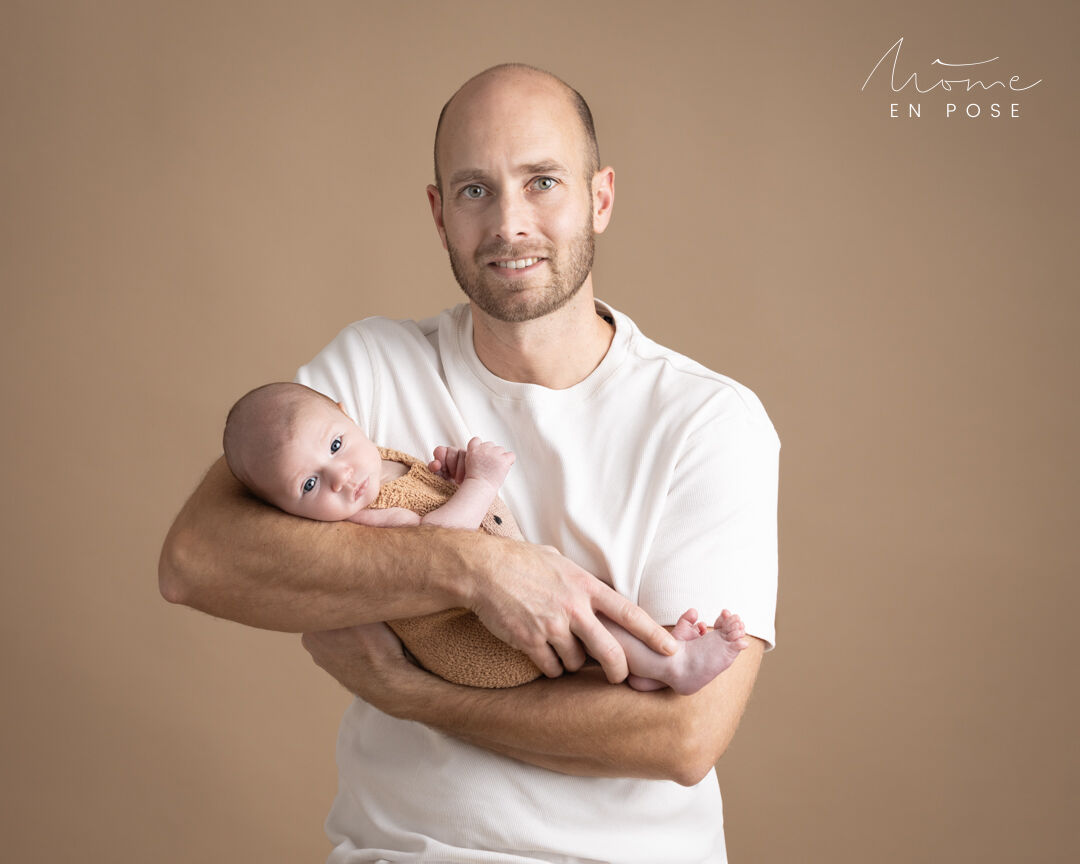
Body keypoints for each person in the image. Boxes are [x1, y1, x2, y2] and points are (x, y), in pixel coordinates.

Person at [160, 63, 779, 863]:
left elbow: (683, 738)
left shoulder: (708, 420)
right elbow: (196, 561)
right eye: (475, 190)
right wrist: (478, 570)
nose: (509, 223)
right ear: (439, 214)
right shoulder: (372, 366)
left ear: (600, 198)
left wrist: (408, 692)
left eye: (543, 182)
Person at [221, 380, 751, 693]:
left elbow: (433, 507)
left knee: (588, 596)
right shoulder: (360, 520)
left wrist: (447, 481)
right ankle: (675, 664)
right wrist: (479, 482)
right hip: (478, 641)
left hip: (499, 609)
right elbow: (433, 548)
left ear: (345, 413)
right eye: (309, 484)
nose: (341, 477)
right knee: (580, 610)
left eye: (336, 445)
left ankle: (648, 666)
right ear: (283, 509)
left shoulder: (380, 461)